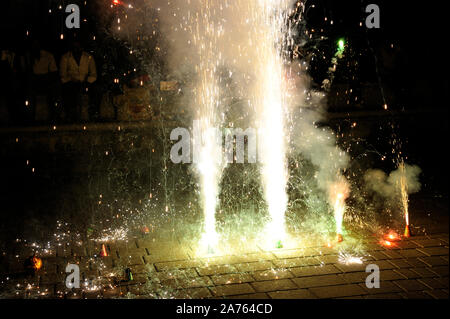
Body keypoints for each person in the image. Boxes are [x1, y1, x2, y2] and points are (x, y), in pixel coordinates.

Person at [60, 40, 100, 122]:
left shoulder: (89, 57)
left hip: (86, 83)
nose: (76, 49)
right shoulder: (65, 58)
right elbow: (62, 76)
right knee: (68, 91)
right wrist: (71, 80)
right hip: (71, 83)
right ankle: (70, 114)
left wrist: (87, 82)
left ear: (82, 47)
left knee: (96, 90)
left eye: (78, 47)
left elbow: (94, 74)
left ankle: (93, 113)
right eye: (74, 47)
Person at [29, 40, 60, 123]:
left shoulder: (48, 56)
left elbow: (54, 72)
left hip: (46, 81)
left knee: (53, 91)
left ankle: (53, 116)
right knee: (29, 92)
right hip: (34, 82)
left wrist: (45, 78)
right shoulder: (28, 56)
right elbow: (28, 73)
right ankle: (30, 118)